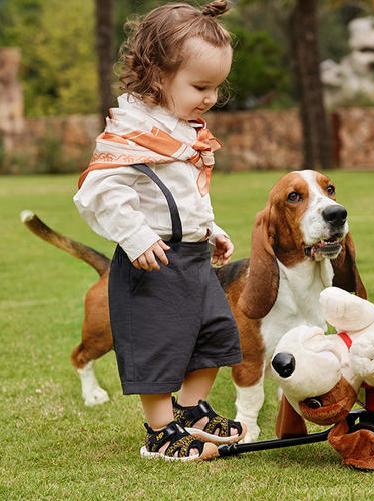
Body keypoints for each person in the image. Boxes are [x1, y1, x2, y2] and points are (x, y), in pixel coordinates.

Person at [73, 0, 245, 461]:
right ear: (156, 75)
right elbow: (99, 191)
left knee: (215, 333)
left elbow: (184, 197)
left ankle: (190, 411)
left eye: (216, 87)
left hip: (192, 258)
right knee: (159, 344)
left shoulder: (181, 131)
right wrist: (134, 235)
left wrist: (209, 230)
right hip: (152, 260)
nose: (210, 98)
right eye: (200, 86)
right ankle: (161, 431)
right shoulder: (132, 132)